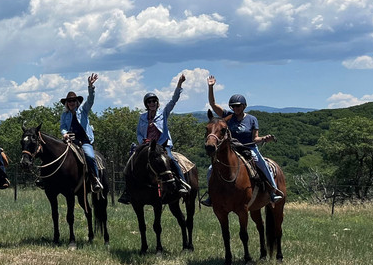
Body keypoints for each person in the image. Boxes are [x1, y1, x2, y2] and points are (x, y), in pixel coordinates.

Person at [205, 75, 284, 203]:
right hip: (232, 148)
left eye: (238, 106)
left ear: (244, 106)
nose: (235, 108)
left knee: (263, 165)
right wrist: (210, 87)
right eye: (233, 106)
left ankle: (272, 192)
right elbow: (213, 104)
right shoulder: (227, 116)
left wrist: (264, 138)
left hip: (249, 148)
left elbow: (255, 138)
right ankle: (211, 195)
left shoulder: (252, 119)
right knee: (210, 170)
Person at [118, 74, 190, 204]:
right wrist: (143, 142)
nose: (152, 103)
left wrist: (179, 84)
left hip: (162, 145)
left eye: (154, 101)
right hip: (146, 146)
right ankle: (128, 191)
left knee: (171, 159)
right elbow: (139, 133)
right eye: (149, 102)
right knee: (130, 162)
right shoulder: (142, 117)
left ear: (157, 103)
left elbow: (173, 100)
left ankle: (181, 184)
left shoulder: (163, 113)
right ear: (146, 104)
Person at [59, 73, 103, 195]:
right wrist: (64, 134)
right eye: (69, 101)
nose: (71, 103)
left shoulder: (83, 110)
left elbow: (90, 100)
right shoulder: (65, 115)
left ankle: (95, 179)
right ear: (66, 103)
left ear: (77, 102)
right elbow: (62, 127)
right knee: (55, 153)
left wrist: (91, 87)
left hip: (84, 141)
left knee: (90, 156)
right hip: (70, 141)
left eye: (73, 100)